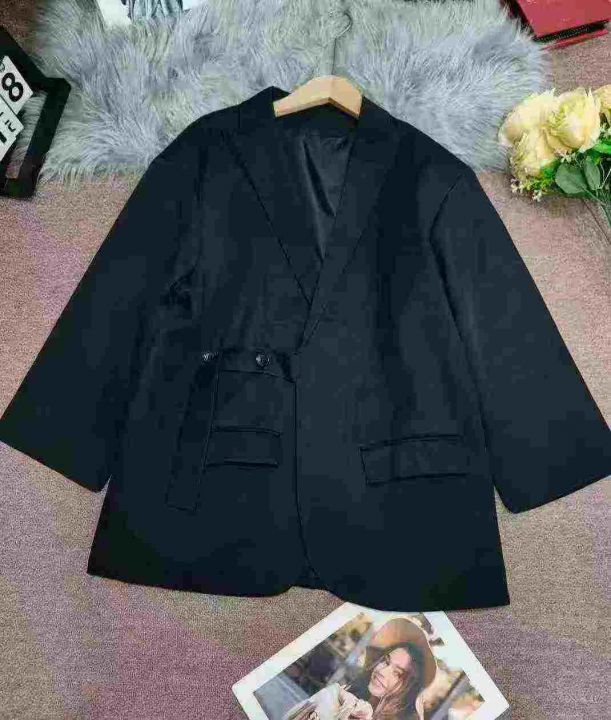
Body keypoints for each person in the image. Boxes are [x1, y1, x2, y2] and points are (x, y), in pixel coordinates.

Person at [281, 617, 438, 720]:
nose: (382, 671)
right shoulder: (340, 695)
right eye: (385, 661)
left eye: (397, 673)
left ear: (409, 690)